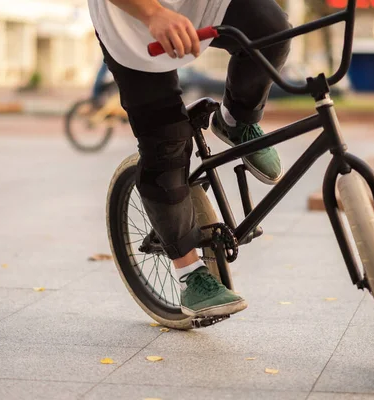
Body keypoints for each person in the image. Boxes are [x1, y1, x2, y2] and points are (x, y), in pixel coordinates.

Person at [88, 0, 291, 317]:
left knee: (270, 29)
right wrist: (153, 14)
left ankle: (237, 119)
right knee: (166, 143)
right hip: (132, 25)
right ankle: (189, 275)